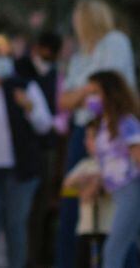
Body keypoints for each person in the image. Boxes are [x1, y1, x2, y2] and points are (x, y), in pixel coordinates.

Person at [57, 0, 137, 268]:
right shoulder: (80, 56)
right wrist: (85, 93)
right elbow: (65, 101)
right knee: (74, 205)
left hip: (111, 131)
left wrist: (83, 94)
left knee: (118, 228)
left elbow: (107, 86)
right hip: (87, 131)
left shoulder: (115, 42)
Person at [0, 34, 54, 268]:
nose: (1, 61)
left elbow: (45, 125)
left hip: (20, 171)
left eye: (6, 56)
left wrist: (29, 107)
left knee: (15, 227)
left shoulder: (25, 87)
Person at [17, 30, 66, 268]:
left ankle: (40, 259)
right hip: (25, 150)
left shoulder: (55, 73)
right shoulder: (19, 70)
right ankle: (27, 259)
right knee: (25, 211)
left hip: (48, 149)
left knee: (43, 209)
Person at [86, 71, 140, 267]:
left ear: (110, 94)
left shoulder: (126, 122)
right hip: (119, 194)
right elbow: (108, 164)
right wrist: (96, 185)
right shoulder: (104, 126)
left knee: (113, 251)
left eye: (95, 92)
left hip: (131, 194)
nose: (90, 99)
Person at [62, 121, 115, 268]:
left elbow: (114, 190)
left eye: (91, 137)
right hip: (85, 229)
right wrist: (85, 184)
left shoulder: (112, 165)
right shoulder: (85, 165)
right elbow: (66, 188)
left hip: (107, 229)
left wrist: (97, 185)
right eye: (86, 137)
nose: (86, 142)